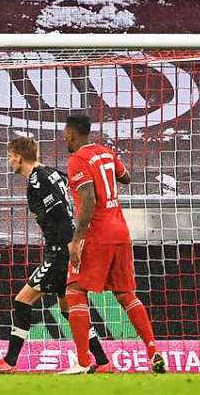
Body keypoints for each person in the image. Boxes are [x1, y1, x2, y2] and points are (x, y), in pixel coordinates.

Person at [0, 137, 108, 374]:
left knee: (22, 300)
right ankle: (102, 361)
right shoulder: (52, 173)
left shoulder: (39, 182)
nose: (10, 161)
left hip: (60, 251)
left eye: (10, 156)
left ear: (19, 156)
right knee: (70, 311)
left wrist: (70, 245)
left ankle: (9, 361)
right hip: (64, 248)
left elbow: (60, 213)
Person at [64, 115, 164, 374]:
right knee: (125, 294)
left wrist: (76, 241)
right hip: (120, 230)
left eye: (66, 133)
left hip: (96, 234)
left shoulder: (77, 161)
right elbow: (126, 177)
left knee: (74, 289)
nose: (64, 137)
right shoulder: (105, 152)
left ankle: (83, 361)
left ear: (73, 134)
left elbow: (88, 200)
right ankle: (153, 351)